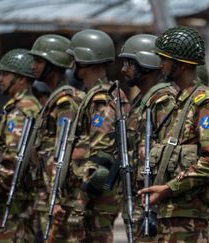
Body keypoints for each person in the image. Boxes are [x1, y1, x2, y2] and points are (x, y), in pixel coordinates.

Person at [137, 26, 209, 242]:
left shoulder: (204, 101)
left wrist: (169, 188)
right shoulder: (170, 101)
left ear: (182, 64)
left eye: (165, 59)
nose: (160, 64)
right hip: (160, 212)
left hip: (188, 218)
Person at [66, 29, 128, 242]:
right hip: (95, 193)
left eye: (75, 58)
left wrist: (80, 203)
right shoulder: (99, 95)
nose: (72, 64)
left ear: (85, 60)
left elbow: (103, 159)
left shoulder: (101, 100)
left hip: (96, 198)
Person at [117, 33, 177, 241]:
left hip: (155, 203)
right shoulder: (142, 102)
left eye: (129, 63)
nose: (124, 69)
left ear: (146, 63)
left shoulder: (163, 101)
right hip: (137, 198)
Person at [28, 34, 86, 242]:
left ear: (53, 65)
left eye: (39, 61)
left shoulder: (66, 101)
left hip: (62, 200)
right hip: (51, 196)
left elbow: (65, 152)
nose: (33, 66)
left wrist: (58, 198)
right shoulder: (56, 99)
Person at [0, 49, 41, 242]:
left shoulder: (22, 111)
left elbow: (12, 161)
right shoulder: (18, 108)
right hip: (10, 202)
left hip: (13, 205)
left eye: (5, 74)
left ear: (22, 79)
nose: (0, 79)